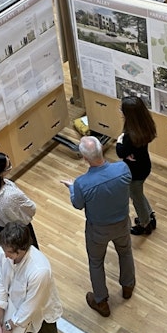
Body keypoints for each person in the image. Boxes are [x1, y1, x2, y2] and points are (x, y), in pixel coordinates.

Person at [60, 136, 134, 318]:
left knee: (96, 262)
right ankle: (128, 286)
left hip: (98, 230)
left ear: (85, 158)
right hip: (122, 224)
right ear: (101, 149)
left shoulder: (82, 183)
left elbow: (77, 204)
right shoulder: (123, 169)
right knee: (125, 252)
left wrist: (72, 188)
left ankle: (101, 301)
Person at [0, 223, 69, 333]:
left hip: (40, 318)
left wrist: (8, 326)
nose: (4, 254)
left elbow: (30, 307)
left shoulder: (39, 270)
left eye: (9, 252)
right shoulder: (4, 251)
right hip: (15, 311)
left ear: (21, 250)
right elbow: (0, 282)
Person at [115, 96, 157, 236]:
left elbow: (120, 152)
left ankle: (145, 224)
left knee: (136, 197)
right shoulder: (145, 126)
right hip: (144, 166)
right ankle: (150, 215)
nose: (120, 110)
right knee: (138, 193)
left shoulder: (129, 136)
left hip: (134, 172)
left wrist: (119, 140)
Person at [0, 152, 38, 248]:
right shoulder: (11, 195)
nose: (11, 167)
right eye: (8, 166)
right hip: (18, 231)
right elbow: (31, 208)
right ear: (0, 173)